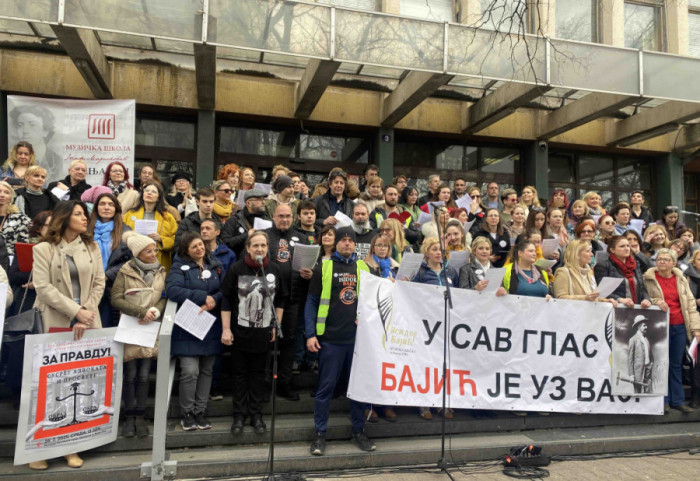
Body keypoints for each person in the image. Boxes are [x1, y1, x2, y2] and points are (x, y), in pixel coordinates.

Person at [31, 200, 105, 470]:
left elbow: (99, 282)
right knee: (50, 385)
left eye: (84, 214)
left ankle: (70, 445)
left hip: (86, 322)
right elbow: (43, 287)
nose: (84, 218)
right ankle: (40, 447)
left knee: (80, 384)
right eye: (78, 214)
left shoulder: (92, 246)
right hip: (54, 321)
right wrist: (75, 312)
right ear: (64, 218)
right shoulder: (43, 249)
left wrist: (85, 313)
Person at [305, 227, 376, 455]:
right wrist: (310, 334)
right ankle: (319, 434)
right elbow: (312, 302)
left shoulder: (363, 267)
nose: (347, 243)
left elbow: (373, 301)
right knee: (325, 389)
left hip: (357, 341)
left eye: (350, 240)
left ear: (355, 245)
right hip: (330, 340)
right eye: (342, 240)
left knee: (357, 390)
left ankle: (359, 432)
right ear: (335, 243)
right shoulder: (324, 267)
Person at [220, 231, 285, 434]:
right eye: (255, 245)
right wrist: (226, 329)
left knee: (259, 375)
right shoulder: (237, 268)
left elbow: (281, 300)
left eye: (263, 245)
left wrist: (276, 325)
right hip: (240, 332)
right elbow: (226, 300)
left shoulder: (274, 270)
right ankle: (239, 415)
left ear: (268, 248)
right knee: (240, 375)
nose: (259, 249)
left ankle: (256, 415)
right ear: (247, 247)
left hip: (263, 332)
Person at [111, 231, 167, 437]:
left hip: (150, 326)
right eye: (148, 251)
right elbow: (115, 298)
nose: (153, 254)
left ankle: (140, 416)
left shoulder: (161, 270)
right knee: (130, 374)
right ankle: (128, 416)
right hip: (131, 326)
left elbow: (164, 295)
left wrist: (156, 311)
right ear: (138, 253)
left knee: (144, 374)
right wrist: (140, 312)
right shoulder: (125, 272)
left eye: (154, 249)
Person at [166, 232, 224, 432]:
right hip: (188, 327)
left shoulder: (214, 264)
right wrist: (202, 296)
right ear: (186, 251)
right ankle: (187, 412)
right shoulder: (179, 266)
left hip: (211, 325)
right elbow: (172, 290)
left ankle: (201, 411)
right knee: (190, 372)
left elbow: (225, 288)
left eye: (200, 245)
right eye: (194, 247)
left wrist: (214, 299)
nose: (199, 249)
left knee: (207, 371)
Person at [643, 248, 700, 412]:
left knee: (675, 364)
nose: (661, 262)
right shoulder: (649, 278)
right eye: (659, 259)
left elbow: (690, 304)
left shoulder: (681, 279)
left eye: (666, 259)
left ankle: (678, 400)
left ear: (673, 263)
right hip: (659, 325)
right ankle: (663, 400)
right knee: (660, 363)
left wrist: (696, 328)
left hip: (679, 325)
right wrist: (655, 301)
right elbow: (644, 298)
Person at [265, 204, 311, 401]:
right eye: (280, 216)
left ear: (293, 217)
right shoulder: (264, 236)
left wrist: (310, 273)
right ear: (274, 216)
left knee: (289, 340)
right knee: (266, 340)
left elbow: (312, 263)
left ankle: (285, 382)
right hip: (266, 299)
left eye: (288, 216)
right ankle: (264, 383)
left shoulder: (301, 238)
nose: (284, 219)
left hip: (293, 297)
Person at [4, 211, 50, 411]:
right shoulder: (27, 247)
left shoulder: (61, 249)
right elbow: (13, 276)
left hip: (49, 302)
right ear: (39, 228)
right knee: (21, 346)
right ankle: (18, 391)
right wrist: (30, 281)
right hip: (27, 301)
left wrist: (40, 282)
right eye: (48, 225)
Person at [411, 237, 458, 419]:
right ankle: (424, 404)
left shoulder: (451, 271)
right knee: (426, 364)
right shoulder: (420, 273)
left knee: (443, 364)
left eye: (441, 249)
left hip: (447, 325)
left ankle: (442, 402)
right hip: (426, 325)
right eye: (434, 249)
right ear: (426, 253)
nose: (439, 252)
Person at [89, 193, 132, 327]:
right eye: (102, 204)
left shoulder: (125, 231)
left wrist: (107, 275)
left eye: (110, 204)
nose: (106, 207)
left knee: (107, 324)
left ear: (116, 209)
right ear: (96, 208)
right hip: (88, 283)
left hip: (111, 284)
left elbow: (129, 260)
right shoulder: (85, 230)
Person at [123, 181, 178, 272]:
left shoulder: (168, 217)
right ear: (143, 194)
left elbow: (176, 240)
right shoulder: (129, 214)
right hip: (133, 259)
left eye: (153, 192)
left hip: (158, 260)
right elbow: (121, 236)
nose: (149, 193)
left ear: (158, 197)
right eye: (147, 190)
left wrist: (161, 239)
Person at [593, 235, 652, 308]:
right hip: (614, 309)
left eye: (628, 246)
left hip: (636, 309)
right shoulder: (603, 266)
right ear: (612, 250)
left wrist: (646, 299)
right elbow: (602, 292)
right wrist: (620, 299)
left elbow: (642, 288)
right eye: (622, 246)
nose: (627, 248)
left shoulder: (634, 265)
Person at [553, 239, 617, 305]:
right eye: (588, 251)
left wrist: (604, 300)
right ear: (577, 254)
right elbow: (560, 298)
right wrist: (585, 298)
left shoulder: (589, 272)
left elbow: (593, 297)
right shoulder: (563, 273)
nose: (592, 254)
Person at [10, 104, 62, 183]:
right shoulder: (11, 160)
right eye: (20, 125)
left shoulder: (56, 161)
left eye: (32, 125)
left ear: (45, 131)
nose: (25, 131)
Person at [221, 189, 270, 257]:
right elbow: (225, 242)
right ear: (248, 203)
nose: (263, 202)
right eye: (259, 200)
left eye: (264, 199)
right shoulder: (234, 220)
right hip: (240, 264)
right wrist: (246, 236)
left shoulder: (268, 221)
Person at [0, 181, 31, 256]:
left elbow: (23, 246)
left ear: (11, 197)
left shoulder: (22, 220)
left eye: (7, 192)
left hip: (10, 260)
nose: (2, 195)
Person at [626, 316, 654, 395]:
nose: (646, 327)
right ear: (639, 326)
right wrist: (631, 374)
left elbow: (650, 354)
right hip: (638, 372)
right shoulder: (633, 339)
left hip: (647, 370)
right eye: (644, 325)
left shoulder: (646, 339)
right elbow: (630, 359)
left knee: (647, 392)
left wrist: (651, 364)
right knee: (637, 393)